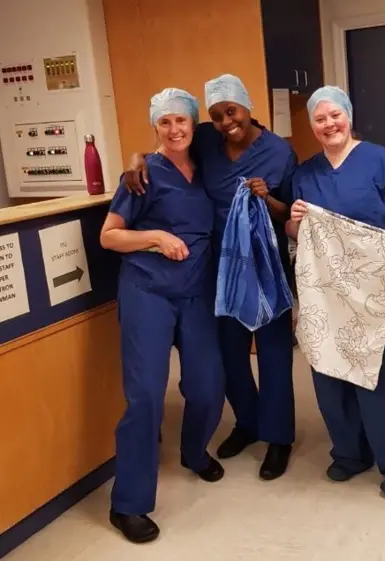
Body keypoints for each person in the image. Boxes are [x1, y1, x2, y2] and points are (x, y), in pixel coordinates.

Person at [124, 74, 297, 481]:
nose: (225, 122)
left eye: (231, 112)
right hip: (218, 269)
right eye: (217, 115)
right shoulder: (205, 141)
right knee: (230, 355)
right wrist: (136, 159)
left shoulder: (279, 153)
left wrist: (267, 198)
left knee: (273, 356)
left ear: (248, 107)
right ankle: (248, 422)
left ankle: (278, 437)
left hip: (265, 266)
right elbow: (167, 146)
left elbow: (290, 211)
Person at [286, 86, 385, 499]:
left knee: (377, 370)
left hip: (374, 286)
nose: (329, 125)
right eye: (320, 119)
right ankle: (351, 452)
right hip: (326, 292)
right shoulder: (305, 174)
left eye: (335, 116)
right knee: (328, 367)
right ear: (312, 126)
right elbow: (297, 235)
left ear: (348, 116)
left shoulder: (380, 161)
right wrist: (294, 221)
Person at [101, 88, 226, 543]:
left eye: (182, 121)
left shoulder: (208, 160)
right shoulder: (142, 175)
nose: (174, 130)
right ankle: (127, 504)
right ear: (155, 126)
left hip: (195, 293)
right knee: (146, 398)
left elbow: (250, 133)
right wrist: (153, 236)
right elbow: (110, 236)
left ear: (194, 125)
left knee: (209, 386)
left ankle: (195, 452)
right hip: (147, 292)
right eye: (164, 122)